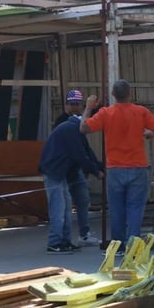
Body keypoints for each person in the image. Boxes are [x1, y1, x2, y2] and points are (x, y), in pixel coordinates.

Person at [80, 79, 154, 248]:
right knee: (135, 208)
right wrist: (149, 133)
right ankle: (132, 243)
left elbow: (83, 128)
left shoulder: (105, 113)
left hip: (115, 168)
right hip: (137, 166)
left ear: (113, 95)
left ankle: (117, 245)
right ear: (129, 93)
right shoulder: (141, 112)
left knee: (116, 209)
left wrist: (88, 106)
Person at [39, 113, 104, 254]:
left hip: (60, 172)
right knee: (58, 208)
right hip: (54, 172)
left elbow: (87, 152)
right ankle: (54, 242)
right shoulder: (72, 130)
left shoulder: (74, 129)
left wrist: (99, 166)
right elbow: (79, 155)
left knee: (66, 207)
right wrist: (96, 171)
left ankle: (65, 240)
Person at [53, 89, 100, 246]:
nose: (73, 106)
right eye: (71, 104)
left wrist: (96, 165)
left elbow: (85, 148)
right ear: (66, 104)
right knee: (63, 206)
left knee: (83, 199)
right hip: (62, 170)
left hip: (74, 169)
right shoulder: (63, 122)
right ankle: (60, 240)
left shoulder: (79, 121)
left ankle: (84, 233)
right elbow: (78, 151)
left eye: (77, 104)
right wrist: (94, 169)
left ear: (81, 105)